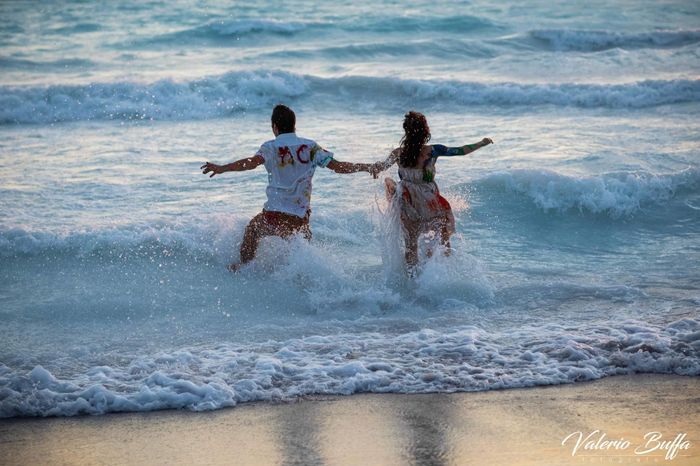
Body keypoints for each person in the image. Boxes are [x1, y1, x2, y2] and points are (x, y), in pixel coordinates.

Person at [201, 104, 373, 271]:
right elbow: (339, 167)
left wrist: (223, 168)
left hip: (272, 217)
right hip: (299, 219)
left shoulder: (269, 147)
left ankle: (243, 267)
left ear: (275, 127)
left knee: (252, 230)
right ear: (294, 126)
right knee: (304, 248)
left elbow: (250, 163)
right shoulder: (311, 147)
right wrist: (367, 167)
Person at [370, 111, 493, 274]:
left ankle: (411, 278)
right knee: (443, 235)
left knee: (411, 243)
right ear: (425, 132)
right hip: (429, 200)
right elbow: (461, 151)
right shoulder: (433, 151)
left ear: (406, 131)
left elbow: (381, 166)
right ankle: (442, 271)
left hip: (408, 201)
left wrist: (373, 169)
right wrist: (482, 142)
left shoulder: (398, 153)